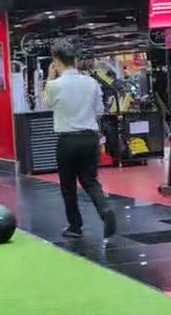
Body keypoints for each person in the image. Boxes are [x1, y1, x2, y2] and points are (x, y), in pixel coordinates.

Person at [43, 40, 116, 239]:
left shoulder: (54, 86)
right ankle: (105, 210)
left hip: (67, 140)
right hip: (90, 137)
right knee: (90, 180)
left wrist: (49, 78)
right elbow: (100, 111)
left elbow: (46, 104)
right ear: (75, 60)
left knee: (68, 185)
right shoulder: (91, 83)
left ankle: (75, 226)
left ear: (56, 62)